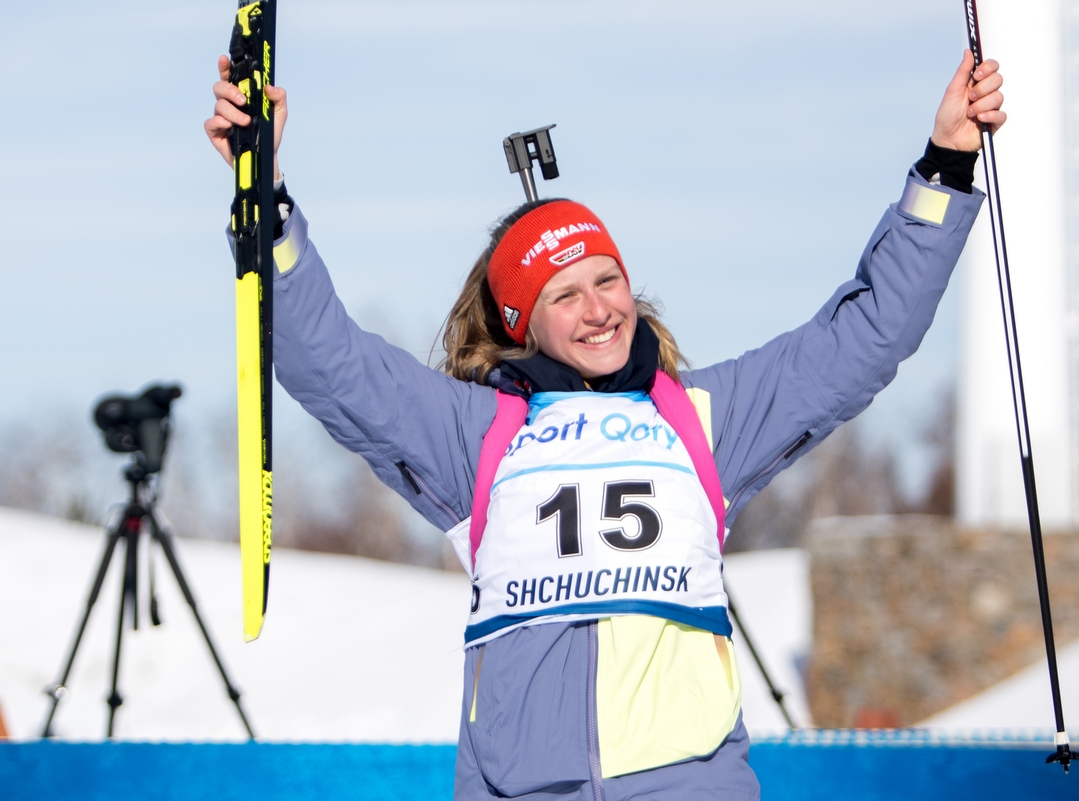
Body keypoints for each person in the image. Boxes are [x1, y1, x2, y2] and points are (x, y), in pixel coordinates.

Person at [206, 48, 1005, 801]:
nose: (599, 309)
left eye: (608, 279)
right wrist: (266, 200)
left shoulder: (702, 419)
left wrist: (944, 165)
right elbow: (332, 364)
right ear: (522, 322)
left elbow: (863, 340)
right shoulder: (473, 435)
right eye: (564, 294)